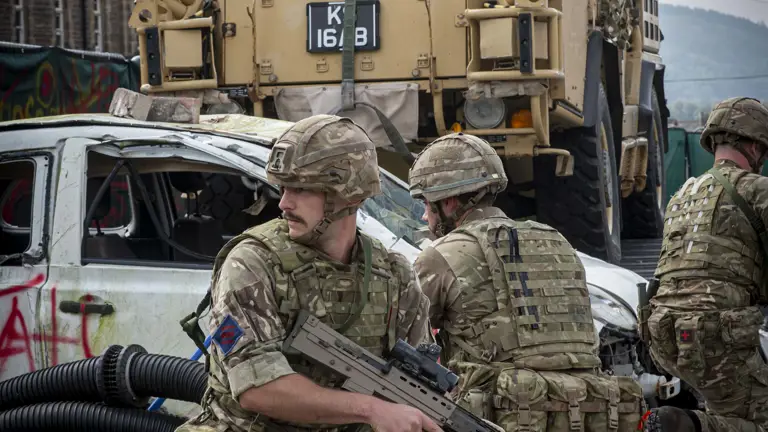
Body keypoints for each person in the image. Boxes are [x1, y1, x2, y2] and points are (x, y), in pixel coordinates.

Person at [175, 114, 440, 432]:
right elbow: (256, 388)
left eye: (301, 189)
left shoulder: (395, 275)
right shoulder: (252, 263)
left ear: (348, 196)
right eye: (284, 188)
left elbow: (421, 380)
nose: (284, 203)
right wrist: (370, 410)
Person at [408, 132, 645, 431]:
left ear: (451, 202)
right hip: (584, 414)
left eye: (428, 205)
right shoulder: (556, 242)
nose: (425, 217)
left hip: (497, 418)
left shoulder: (441, 255)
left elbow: (405, 334)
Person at [643, 97, 768, 432]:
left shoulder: (683, 193)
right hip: (716, 333)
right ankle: (684, 424)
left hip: (664, 333)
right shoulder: (757, 189)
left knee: (724, 397)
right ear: (755, 146)